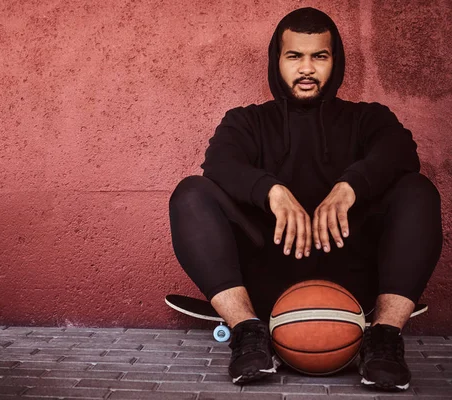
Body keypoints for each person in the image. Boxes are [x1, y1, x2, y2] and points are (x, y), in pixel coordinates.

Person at [168, 7, 443, 391]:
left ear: (336, 61)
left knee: (418, 190)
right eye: (295, 56)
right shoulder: (246, 121)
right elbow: (220, 163)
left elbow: (399, 152)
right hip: (267, 273)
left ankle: (383, 339)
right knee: (190, 193)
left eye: (320, 56)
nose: (307, 69)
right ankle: (248, 331)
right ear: (276, 60)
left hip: (351, 275)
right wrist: (272, 191)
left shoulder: (369, 118)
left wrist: (349, 187)